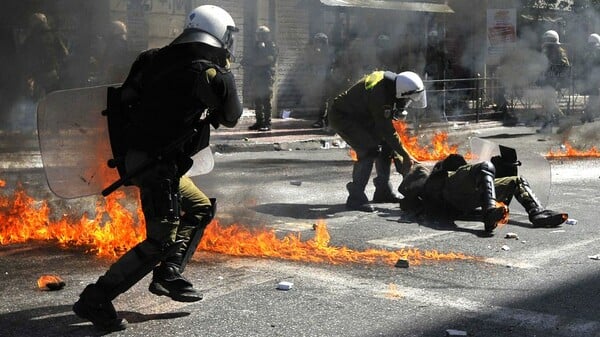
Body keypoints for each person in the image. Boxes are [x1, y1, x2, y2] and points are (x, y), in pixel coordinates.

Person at [72, 5, 242, 332]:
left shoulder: (150, 58)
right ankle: (96, 298)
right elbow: (230, 117)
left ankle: (168, 274)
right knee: (160, 240)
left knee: (199, 208)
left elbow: (125, 99)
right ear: (219, 32)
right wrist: (224, 74)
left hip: (139, 158)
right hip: (158, 167)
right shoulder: (209, 73)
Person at [328, 70, 427, 212]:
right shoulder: (380, 95)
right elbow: (386, 130)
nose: (407, 103)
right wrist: (405, 156)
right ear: (402, 93)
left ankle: (383, 191)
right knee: (368, 149)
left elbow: (385, 132)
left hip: (362, 116)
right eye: (407, 99)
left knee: (386, 146)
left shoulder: (391, 86)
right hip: (343, 117)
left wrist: (400, 154)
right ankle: (355, 197)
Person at [398, 153, 568, 234]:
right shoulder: (428, 174)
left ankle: (536, 213)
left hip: (465, 198)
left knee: (515, 181)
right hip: (448, 189)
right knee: (485, 167)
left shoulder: (454, 175)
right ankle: (489, 213)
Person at [20, 12, 69, 98]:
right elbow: (64, 53)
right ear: (44, 21)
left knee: (39, 104)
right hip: (53, 75)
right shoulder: (53, 35)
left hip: (37, 79)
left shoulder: (29, 40)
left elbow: (23, 59)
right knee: (55, 100)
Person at [244, 25, 278, 131]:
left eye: (263, 35)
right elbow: (250, 57)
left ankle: (267, 123)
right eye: (259, 35)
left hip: (266, 77)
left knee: (266, 100)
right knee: (257, 100)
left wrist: (254, 62)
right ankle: (259, 122)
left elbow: (268, 60)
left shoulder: (271, 46)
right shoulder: (255, 46)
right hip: (255, 77)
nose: (260, 37)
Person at [537, 29, 570, 133]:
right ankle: (548, 126)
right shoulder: (548, 52)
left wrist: (558, 77)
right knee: (547, 104)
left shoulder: (559, 52)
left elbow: (565, 67)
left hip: (553, 82)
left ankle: (563, 122)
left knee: (550, 103)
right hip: (547, 81)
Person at [307, 32, 334, 128]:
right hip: (320, 80)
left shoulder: (329, 53)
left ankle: (324, 120)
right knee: (321, 101)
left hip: (328, 81)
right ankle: (324, 120)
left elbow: (330, 66)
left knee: (325, 101)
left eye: (318, 42)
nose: (316, 44)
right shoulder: (317, 52)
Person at [580, 33, 600, 123]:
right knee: (595, 97)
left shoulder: (586, 53)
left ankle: (588, 114)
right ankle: (588, 113)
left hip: (590, 79)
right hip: (595, 78)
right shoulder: (596, 51)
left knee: (593, 97)